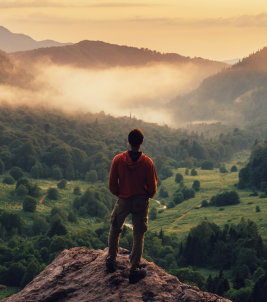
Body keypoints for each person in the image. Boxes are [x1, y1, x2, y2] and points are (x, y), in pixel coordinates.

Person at [106, 128, 158, 283]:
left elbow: (112, 184)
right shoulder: (147, 162)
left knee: (115, 230)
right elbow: (153, 188)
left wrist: (121, 194)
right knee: (138, 235)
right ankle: (134, 270)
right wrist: (145, 195)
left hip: (123, 200)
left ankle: (110, 263)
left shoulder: (118, 160)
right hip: (141, 202)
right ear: (141, 142)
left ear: (128, 141)